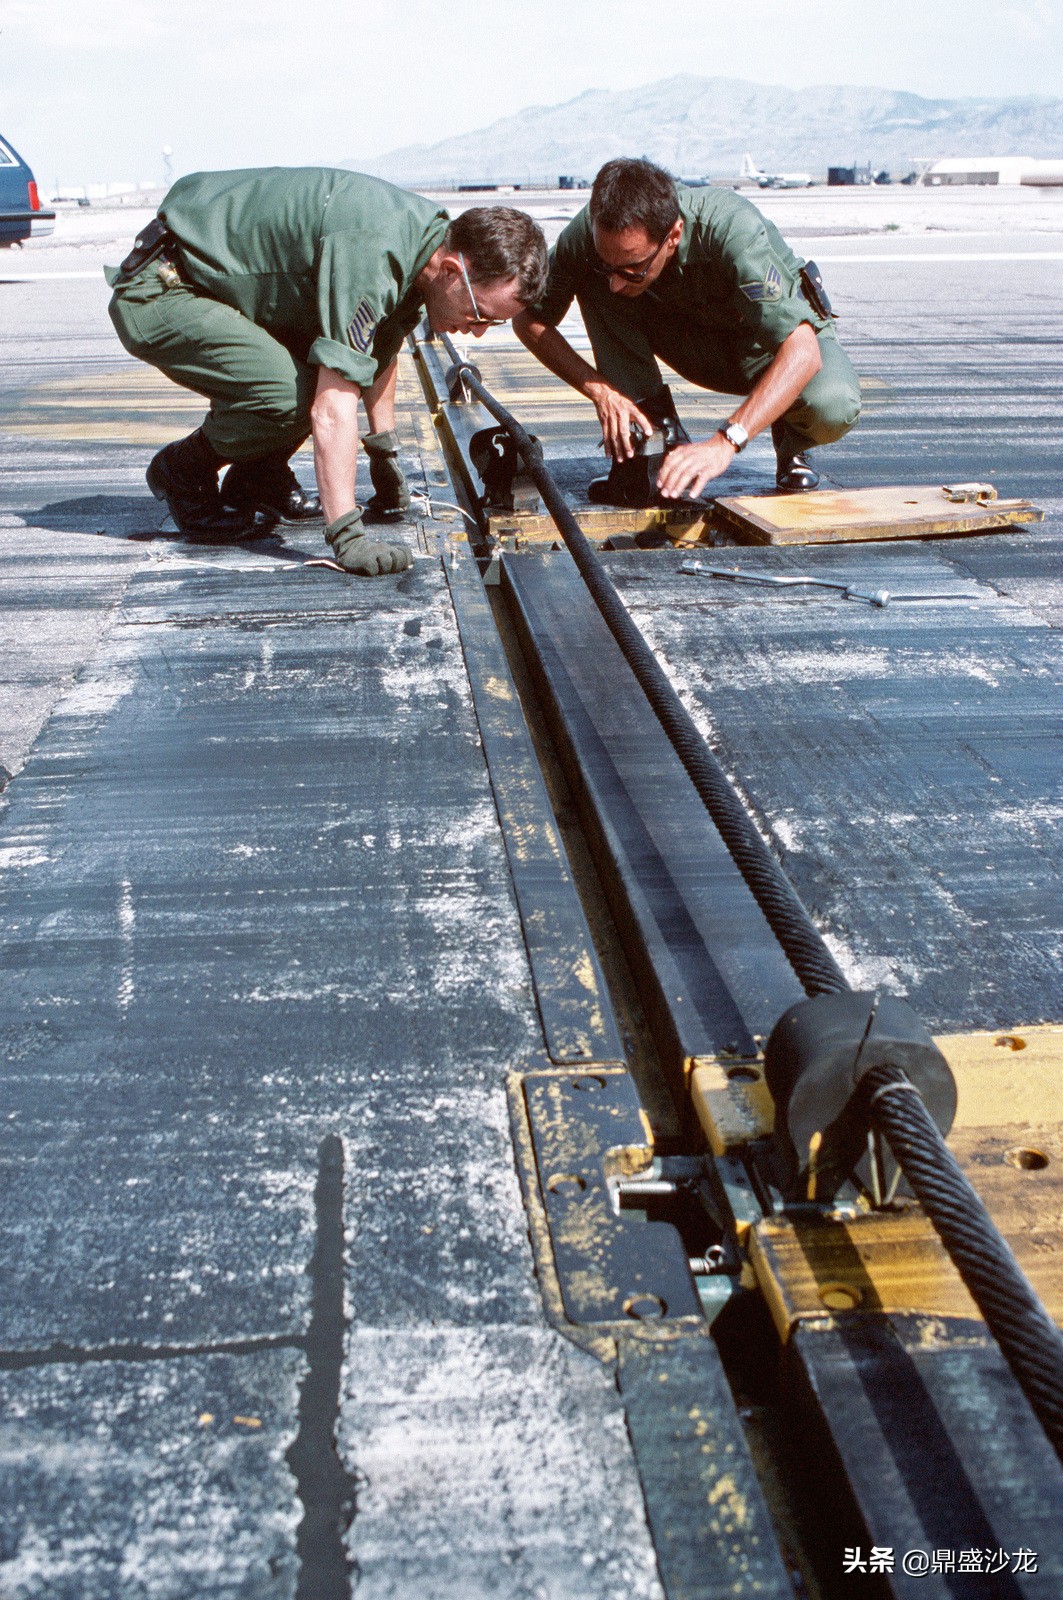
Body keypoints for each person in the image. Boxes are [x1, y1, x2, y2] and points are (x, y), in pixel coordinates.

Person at [109, 169, 547, 573]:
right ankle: (182, 469)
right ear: (453, 271)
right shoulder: (374, 249)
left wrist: (384, 454)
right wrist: (347, 536)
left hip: (223, 291)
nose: (478, 334)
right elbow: (332, 406)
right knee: (288, 396)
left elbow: (376, 350)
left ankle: (258, 475)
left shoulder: (425, 245)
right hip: (162, 291)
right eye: (480, 315)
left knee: (318, 364)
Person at [512, 158, 861, 504]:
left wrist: (727, 440)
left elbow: (801, 351)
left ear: (673, 235)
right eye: (609, 265)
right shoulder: (590, 233)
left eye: (633, 268)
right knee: (594, 281)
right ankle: (652, 435)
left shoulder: (730, 228)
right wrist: (602, 392)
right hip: (695, 345)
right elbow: (528, 318)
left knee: (831, 406)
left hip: (766, 350)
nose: (616, 283)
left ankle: (793, 441)